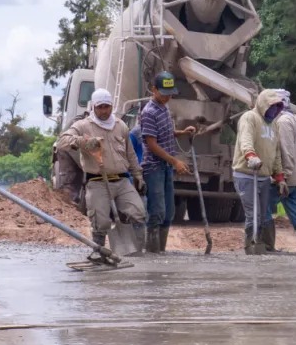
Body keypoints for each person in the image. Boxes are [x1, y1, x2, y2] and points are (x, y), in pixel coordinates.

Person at [57, 88, 147, 253]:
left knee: (139, 213)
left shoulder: (120, 126)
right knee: (101, 222)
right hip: (97, 182)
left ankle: (138, 252)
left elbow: (130, 154)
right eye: (100, 107)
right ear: (93, 107)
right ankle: (99, 254)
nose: (104, 111)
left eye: (107, 106)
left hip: (121, 181)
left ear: (112, 106)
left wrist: (138, 175)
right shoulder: (83, 125)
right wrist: (85, 142)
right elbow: (62, 141)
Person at [140, 72, 195, 253]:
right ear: (154, 89)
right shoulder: (148, 112)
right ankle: (152, 252)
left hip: (165, 167)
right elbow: (151, 143)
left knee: (168, 212)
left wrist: (182, 132)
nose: (167, 97)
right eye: (164, 93)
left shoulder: (164, 108)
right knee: (156, 211)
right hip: (153, 167)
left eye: (170, 93)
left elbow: (165, 134)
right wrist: (175, 161)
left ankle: (160, 251)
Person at [232, 89, 288, 254]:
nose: (274, 109)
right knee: (253, 214)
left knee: (263, 216)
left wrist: (280, 177)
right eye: (271, 106)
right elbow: (245, 140)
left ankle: (263, 247)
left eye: (277, 107)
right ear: (263, 104)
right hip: (247, 174)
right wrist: (251, 156)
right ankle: (250, 247)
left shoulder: (274, 124)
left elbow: (275, 152)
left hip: (263, 176)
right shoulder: (250, 118)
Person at [269, 89, 296, 253]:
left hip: (287, 179)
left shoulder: (282, 122)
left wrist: (282, 178)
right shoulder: (293, 119)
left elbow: (285, 151)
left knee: (262, 207)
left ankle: (266, 248)